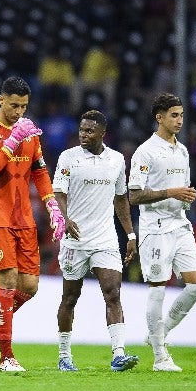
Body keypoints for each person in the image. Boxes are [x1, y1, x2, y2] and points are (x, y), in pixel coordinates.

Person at [0, 76, 65, 372]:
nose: (19, 112)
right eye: (13, 105)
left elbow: (39, 170)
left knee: (30, 286)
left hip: (24, 218)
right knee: (7, 282)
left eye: (23, 106)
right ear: (1, 100)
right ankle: (6, 357)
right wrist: (10, 141)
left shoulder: (30, 133)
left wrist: (51, 203)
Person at [52, 110, 140, 372]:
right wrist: (64, 219)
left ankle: (118, 354)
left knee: (112, 293)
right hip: (75, 240)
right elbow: (58, 193)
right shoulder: (68, 157)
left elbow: (121, 198)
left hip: (105, 238)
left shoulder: (116, 160)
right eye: (81, 130)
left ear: (103, 133)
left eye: (89, 131)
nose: (83, 134)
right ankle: (64, 355)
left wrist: (130, 234)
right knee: (70, 298)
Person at [128, 93, 196, 372]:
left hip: (180, 223)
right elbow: (134, 195)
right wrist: (172, 192)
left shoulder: (182, 151)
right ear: (159, 117)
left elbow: (180, 187)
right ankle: (160, 357)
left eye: (181, 115)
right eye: (174, 115)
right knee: (158, 288)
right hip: (155, 227)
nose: (179, 120)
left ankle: (158, 332)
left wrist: (184, 196)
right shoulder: (145, 151)